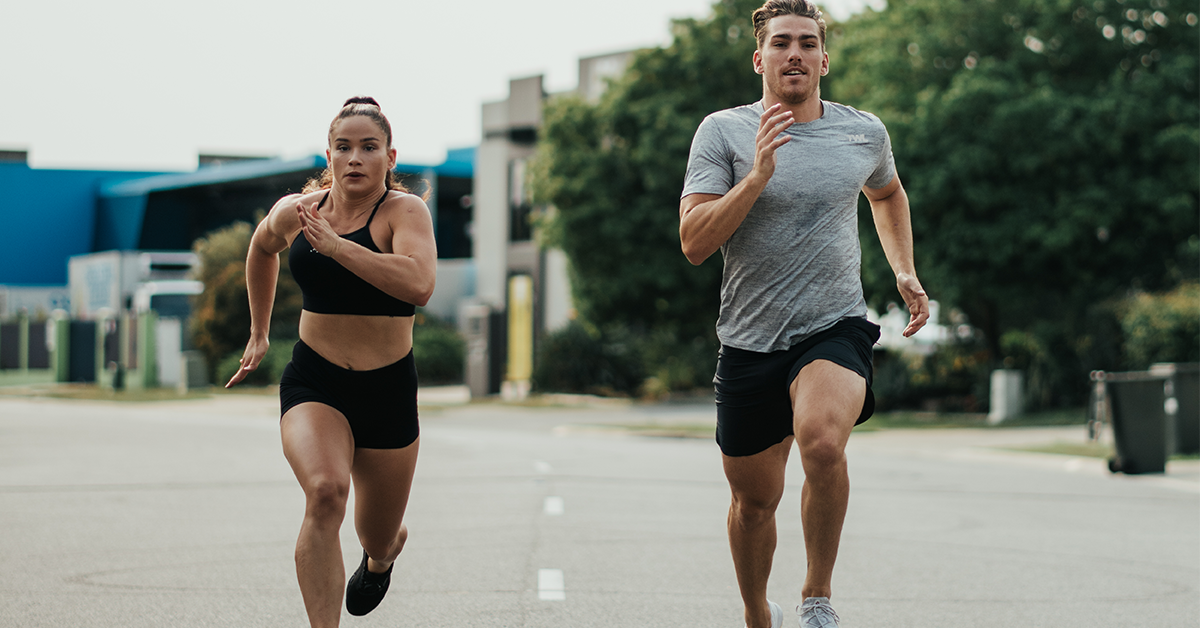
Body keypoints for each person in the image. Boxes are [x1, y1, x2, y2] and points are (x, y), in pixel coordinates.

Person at [678, 2, 929, 627]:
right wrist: (757, 176)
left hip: (834, 324)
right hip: (749, 338)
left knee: (821, 442)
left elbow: (888, 192)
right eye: (782, 43)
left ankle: (816, 599)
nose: (795, 53)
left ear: (824, 58)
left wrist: (903, 270)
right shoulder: (724, 132)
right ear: (759, 58)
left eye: (808, 43)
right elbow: (694, 242)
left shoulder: (863, 132)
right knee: (754, 501)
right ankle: (758, 613)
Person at [226, 96, 436, 628]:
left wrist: (341, 249)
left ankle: (383, 554)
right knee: (325, 493)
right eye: (344, 148)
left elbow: (419, 284)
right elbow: (261, 246)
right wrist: (258, 332)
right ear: (329, 155)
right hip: (314, 380)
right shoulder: (299, 212)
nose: (355, 158)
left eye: (369, 147)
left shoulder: (404, 212)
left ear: (390, 156)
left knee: (378, 534)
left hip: (387, 391)